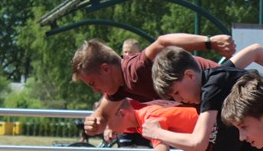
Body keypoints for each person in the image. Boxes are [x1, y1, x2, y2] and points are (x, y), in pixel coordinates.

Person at [72, 34, 236, 136]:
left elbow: (162, 42)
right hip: (216, 101)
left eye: (93, 83)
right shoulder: (119, 88)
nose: (94, 90)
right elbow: (103, 114)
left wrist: (210, 42)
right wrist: (94, 123)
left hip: (222, 87)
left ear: (106, 69)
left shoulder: (134, 69)